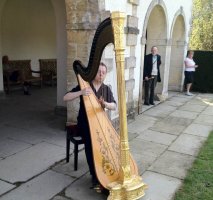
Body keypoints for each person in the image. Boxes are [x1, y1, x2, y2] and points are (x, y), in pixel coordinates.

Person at [63, 62, 116, 190]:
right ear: (94, 73)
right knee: (91, 145)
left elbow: (114, 105)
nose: (101, 74)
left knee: (108, 143)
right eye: (99, 72)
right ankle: (94, 175)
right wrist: (80, 92)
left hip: (99, 123)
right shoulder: (86, 86)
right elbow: (66, 97)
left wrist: (105, 105)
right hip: (84, 123)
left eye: (103, 72)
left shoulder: (106, 89)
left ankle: (105, 169)